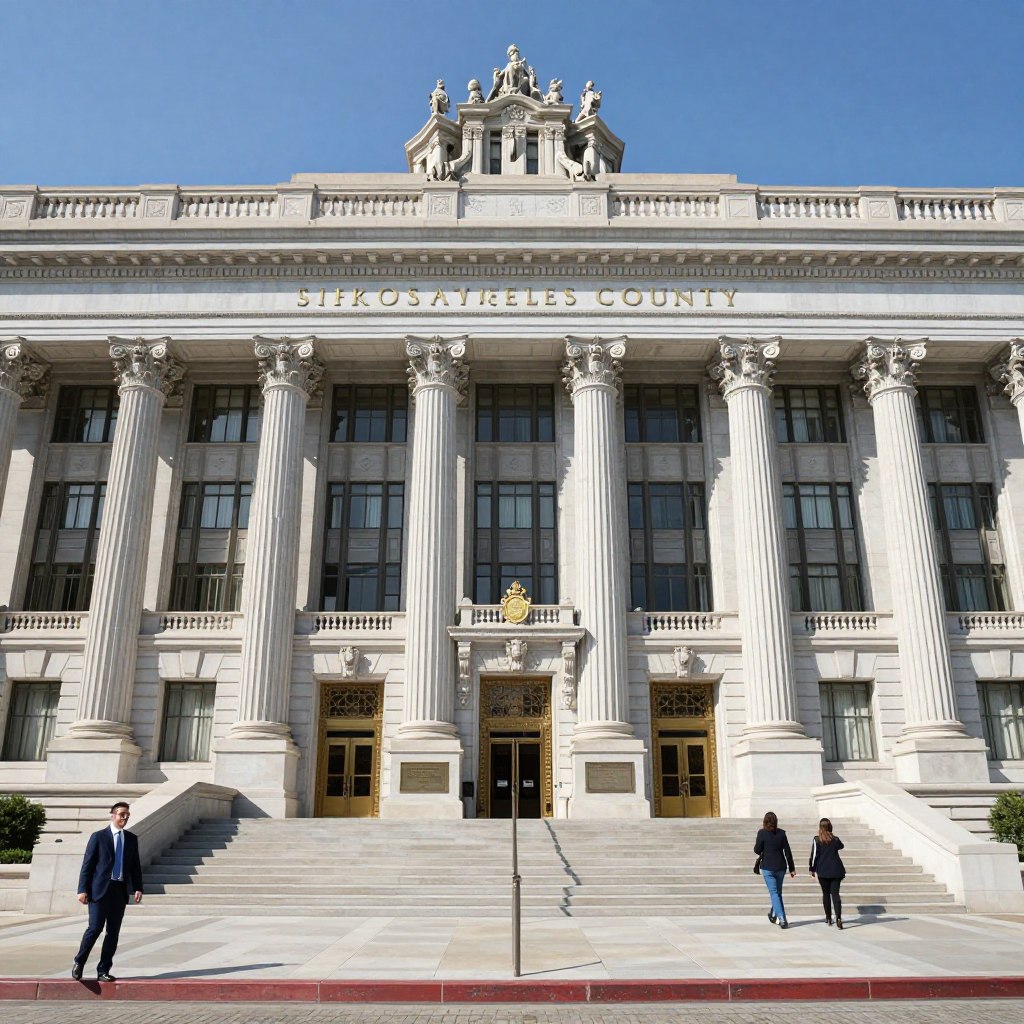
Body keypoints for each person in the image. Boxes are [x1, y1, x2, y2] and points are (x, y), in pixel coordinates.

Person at [72, 801, 143, 982]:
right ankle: (79, 962)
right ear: (112, 815)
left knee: (113, 932)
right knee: (94, 928)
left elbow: (135, 866)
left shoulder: (131, 839)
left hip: (119, 891)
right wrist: (82, 889)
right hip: (99, 891)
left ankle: (103, 969)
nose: (124, 818)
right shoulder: (99, 837)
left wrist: (138, 887)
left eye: (127, 815)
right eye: (121, 814)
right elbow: (87, 865)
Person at [754, 810, 796, 929]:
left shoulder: (762, 833)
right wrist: (792, 868)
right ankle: (773, 914)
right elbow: (788, 852)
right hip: (780, 867)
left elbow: (757, 850)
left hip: (768, 867)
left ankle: (782, 918)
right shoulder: (782, 833)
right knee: (777, 893)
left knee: (774, 893)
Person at [809, 816, 846, 928]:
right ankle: (838, 917)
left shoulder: (817, 839)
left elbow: (814, 856)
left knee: (826, 894)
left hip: (823, 870)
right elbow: (841, 846)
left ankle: (828, 918)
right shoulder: (835, 839)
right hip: (836, 870)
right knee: (835, 894)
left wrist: (812, 869)